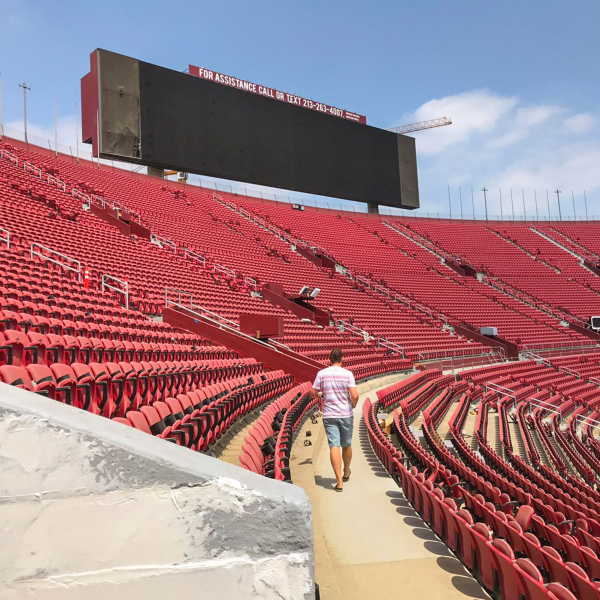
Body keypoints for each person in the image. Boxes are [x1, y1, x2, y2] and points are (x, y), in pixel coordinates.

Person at [310, 348, 359, 492]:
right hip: (345, 414)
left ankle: (339, 482)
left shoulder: (322, 373)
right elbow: (354, 395)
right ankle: (346, 471)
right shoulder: (348, 374)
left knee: (334, 446)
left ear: (329, 359)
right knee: (347, 444)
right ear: (341, 359)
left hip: (329, 415)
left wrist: (321, 395)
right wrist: (353, 404)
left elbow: (312, 393)